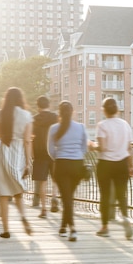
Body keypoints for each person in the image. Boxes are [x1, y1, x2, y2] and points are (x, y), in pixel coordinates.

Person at [90, 97, 133, 239]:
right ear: (116, 109)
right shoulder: (125, 125)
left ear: (104, 110)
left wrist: (92, 146)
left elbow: (101, 147)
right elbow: (129, 148)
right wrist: (131, 166)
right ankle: (125, 217)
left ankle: (104, 227)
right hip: (122, 163)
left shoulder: (102, 125)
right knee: (122, 194)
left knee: (105, 195)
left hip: (105, 164)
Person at [0, 87, 33, 239]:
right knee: (18, 192)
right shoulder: (27, 116)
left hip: (4, 151)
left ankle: (6, 230)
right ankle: (23, 216)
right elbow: (28, 141)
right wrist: (28, 163)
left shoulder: (0, 114)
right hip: (18, 154)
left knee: (4, 194)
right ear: (20, 99)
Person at [47, 101, 88, 242]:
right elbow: (84, 148)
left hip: (61, 164)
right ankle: (63, 226)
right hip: (77, 165)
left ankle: (73, 229)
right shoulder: (81, 127)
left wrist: (59, 157)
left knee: (66, 198)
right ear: (73, 112)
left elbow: (50, 150)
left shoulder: (53, 129)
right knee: (68, 197)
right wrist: (76, 156)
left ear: (59, 113)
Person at [32, 95, 59, 218]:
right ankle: (54, 197)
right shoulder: (55, 118)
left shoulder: (34, 120)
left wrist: (31, 154)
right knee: (55, 179)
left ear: (38, 107)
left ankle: (43, 209)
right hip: (53, 152)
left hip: (39, 153)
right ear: (49, 105)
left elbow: (31, 138)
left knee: (42, 182)